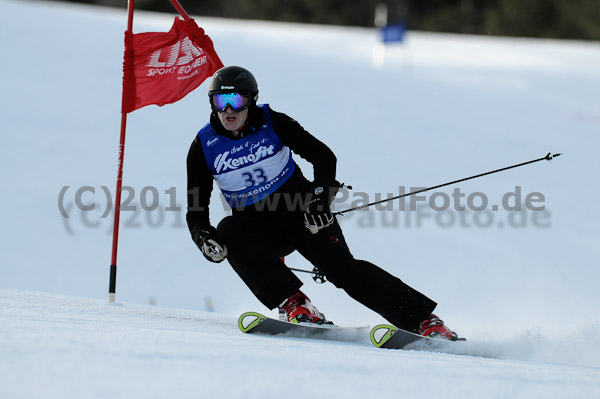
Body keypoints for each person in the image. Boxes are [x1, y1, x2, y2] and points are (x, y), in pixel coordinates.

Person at [186, 65, 460, 340]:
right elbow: (195, 211)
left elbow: (324, 157)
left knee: (342, 272)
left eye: (237, 100)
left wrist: (319, 200)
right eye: (221, 101)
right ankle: (295, 303)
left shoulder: (274, 122)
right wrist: (204, 238)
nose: (229, 110)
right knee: (228, 229)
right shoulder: (204, 146)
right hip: (259, 228)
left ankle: (426, 322)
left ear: (252, 99)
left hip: (303, 215)